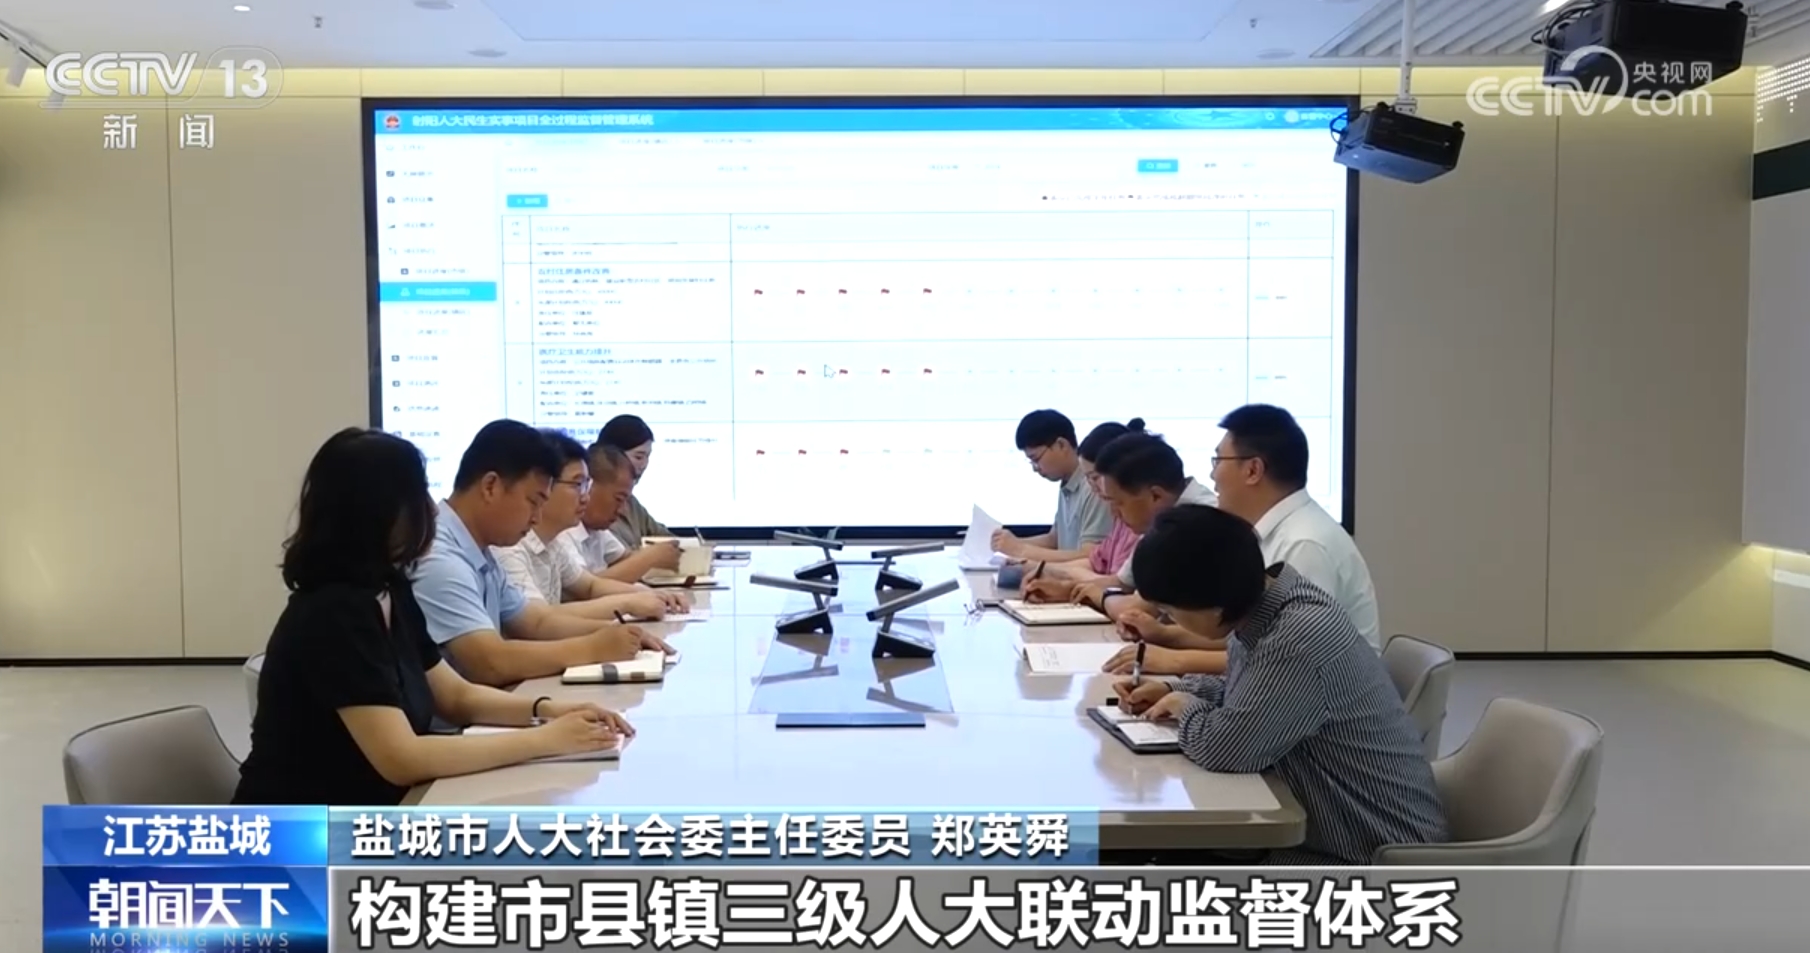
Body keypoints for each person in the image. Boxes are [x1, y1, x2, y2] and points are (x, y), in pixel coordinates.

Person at [234, 428, 633, 806]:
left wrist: (548, 711)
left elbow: (456, 696)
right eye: (416, 495)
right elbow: (402, 758)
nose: (429, 508)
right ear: (373, 510)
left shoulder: (388, 587)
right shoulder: (334, 611)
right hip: (301, 835)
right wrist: (544, 740)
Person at [1109, 504, 1446, 865]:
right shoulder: (1270, 605)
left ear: (1214, 604)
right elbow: (1251, 697)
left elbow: (1228, 749)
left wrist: (1187, 706)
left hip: (1363, 856)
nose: (1169, 619)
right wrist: (1174, 691)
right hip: (1332, 829)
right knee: (1143, 856)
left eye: (1171, 611)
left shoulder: (1295, 637)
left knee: (1146, 870)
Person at [410, 420, 672, 688]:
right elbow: (489, 663)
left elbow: (536, 622)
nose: (536, 518)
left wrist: (618, 634)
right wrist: (592, 648)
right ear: (490, 487)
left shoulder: (479, 548)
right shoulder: (440, 556)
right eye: (533, 502)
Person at [1210, 404, 1380, 649]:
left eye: (1217, 460)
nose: (1212, 474)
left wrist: (1174, 661)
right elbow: (1250, 641)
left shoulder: (1303, 544)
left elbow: (1294, 654)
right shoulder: (1280, 532)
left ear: (1253, 470)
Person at [493, 430, 687, 621]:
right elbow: (537, 620)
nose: (586, 497)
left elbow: (591, 586)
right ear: (545, 486)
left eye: (586, 485)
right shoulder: (510, 548)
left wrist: (649, 595)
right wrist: (627, 604)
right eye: (577, 485)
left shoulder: (552, 543)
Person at [1027, 431, 1216, 626]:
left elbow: (1136, 609)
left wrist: (1099, 596)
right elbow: (1122, 583)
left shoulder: (1194, 524)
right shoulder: (1161, 516)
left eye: (1118, 502)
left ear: (1155, 495)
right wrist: (1069, 589)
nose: (1114, 513)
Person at [991, 409, 1113, 563]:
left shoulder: (1093, 487)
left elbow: (1090, 556)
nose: (1035, 468)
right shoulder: (1067, 483)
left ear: (1061, 445)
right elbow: (1054, 540)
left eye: (1036, 459)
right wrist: (1010, 544)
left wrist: (1019, 549)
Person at [559, 441, 687, 585]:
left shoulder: (597, 530)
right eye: (619, 499)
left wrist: (656, 556)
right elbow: (584, 588)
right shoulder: (562, 532)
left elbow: (625, 559)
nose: (622, 510)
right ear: (589, 487)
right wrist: (649, 558)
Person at [1040, 418, 1147, 582]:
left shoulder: (1140, 525)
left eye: (1094, 477)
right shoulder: (1121, 523)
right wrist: (1036, 568)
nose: (1092, 486)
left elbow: (1117, 584)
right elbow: (1094, 561)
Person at [596, 414, 668, 550]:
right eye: (639, 457)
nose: (644, 465)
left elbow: (664, 537)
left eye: (648, 457)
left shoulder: (631, 502)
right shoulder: (594, 512)